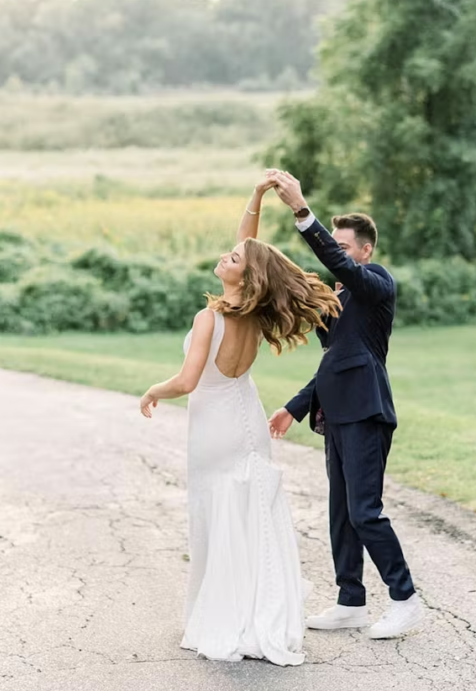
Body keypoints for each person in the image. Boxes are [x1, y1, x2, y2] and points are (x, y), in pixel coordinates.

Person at [139, 178, 341, 666]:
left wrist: (153, 390)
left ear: (244, 278)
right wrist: (255, 199)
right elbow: (249, 250)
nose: (226, 257)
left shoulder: (210, 316)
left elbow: (188, 382)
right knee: (247, 513)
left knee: (216, 515)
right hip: (244, 416)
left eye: (233, 259)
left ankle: (222, 614)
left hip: (213, 426)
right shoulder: (252, 311)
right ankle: (253, 609)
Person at [265, 169, 425, 640]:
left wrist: (302, 213)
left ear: (365, 250)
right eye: (333, 242)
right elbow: (333, 362)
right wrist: (294, 407)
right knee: (341, 511)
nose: (338, 251)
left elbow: (343, 268)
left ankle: (405, 599)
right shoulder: (336, 302)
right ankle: (350, 600)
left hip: (366, 411)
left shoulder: (376, 282)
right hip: (335, 414)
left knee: (365, 511)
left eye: (343, 244)